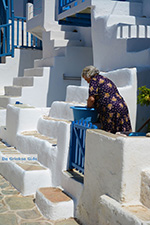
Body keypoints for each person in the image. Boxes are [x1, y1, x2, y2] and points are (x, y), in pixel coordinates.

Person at [81, 65, 132, 134]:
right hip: (122, 106)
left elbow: (91, 99)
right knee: (123, 133)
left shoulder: (93, 80)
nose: (87, 82)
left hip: (110, 109)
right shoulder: (104, 79)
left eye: (86, 79)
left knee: (110, 135)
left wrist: (88, 107)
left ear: (88, 75)